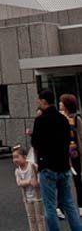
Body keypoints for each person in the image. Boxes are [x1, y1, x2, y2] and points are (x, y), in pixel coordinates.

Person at [31, 89, 82, 231]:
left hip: (47, 166)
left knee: (50, 206)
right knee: (69, 203)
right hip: (63, 165)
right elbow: (67, 140)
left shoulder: (40, 120)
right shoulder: (63, 119)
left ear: (43, 101)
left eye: (39, 100)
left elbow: (35, 143)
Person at [13, 144, 46, 231]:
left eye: (17, 157)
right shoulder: (17, 171)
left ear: (24, 157)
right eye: (13, 158)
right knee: (31, 218)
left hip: (37, 197)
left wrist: (37, 182)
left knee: (40, 218)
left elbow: (41, 174)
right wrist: (29, 182)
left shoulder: (32, 166)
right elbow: (19, 182)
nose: (15, 160)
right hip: (27, 198)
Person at [59, 93, 82, 216]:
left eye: (62, 102)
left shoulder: (76, 118)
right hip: (63, 154)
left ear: (67, 104)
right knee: (62, 180)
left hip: (74, 153)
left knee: (77, 179)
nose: (59, 104)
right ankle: (60, 207)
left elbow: (81, 136)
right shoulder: (60, 117)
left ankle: (81, 205)